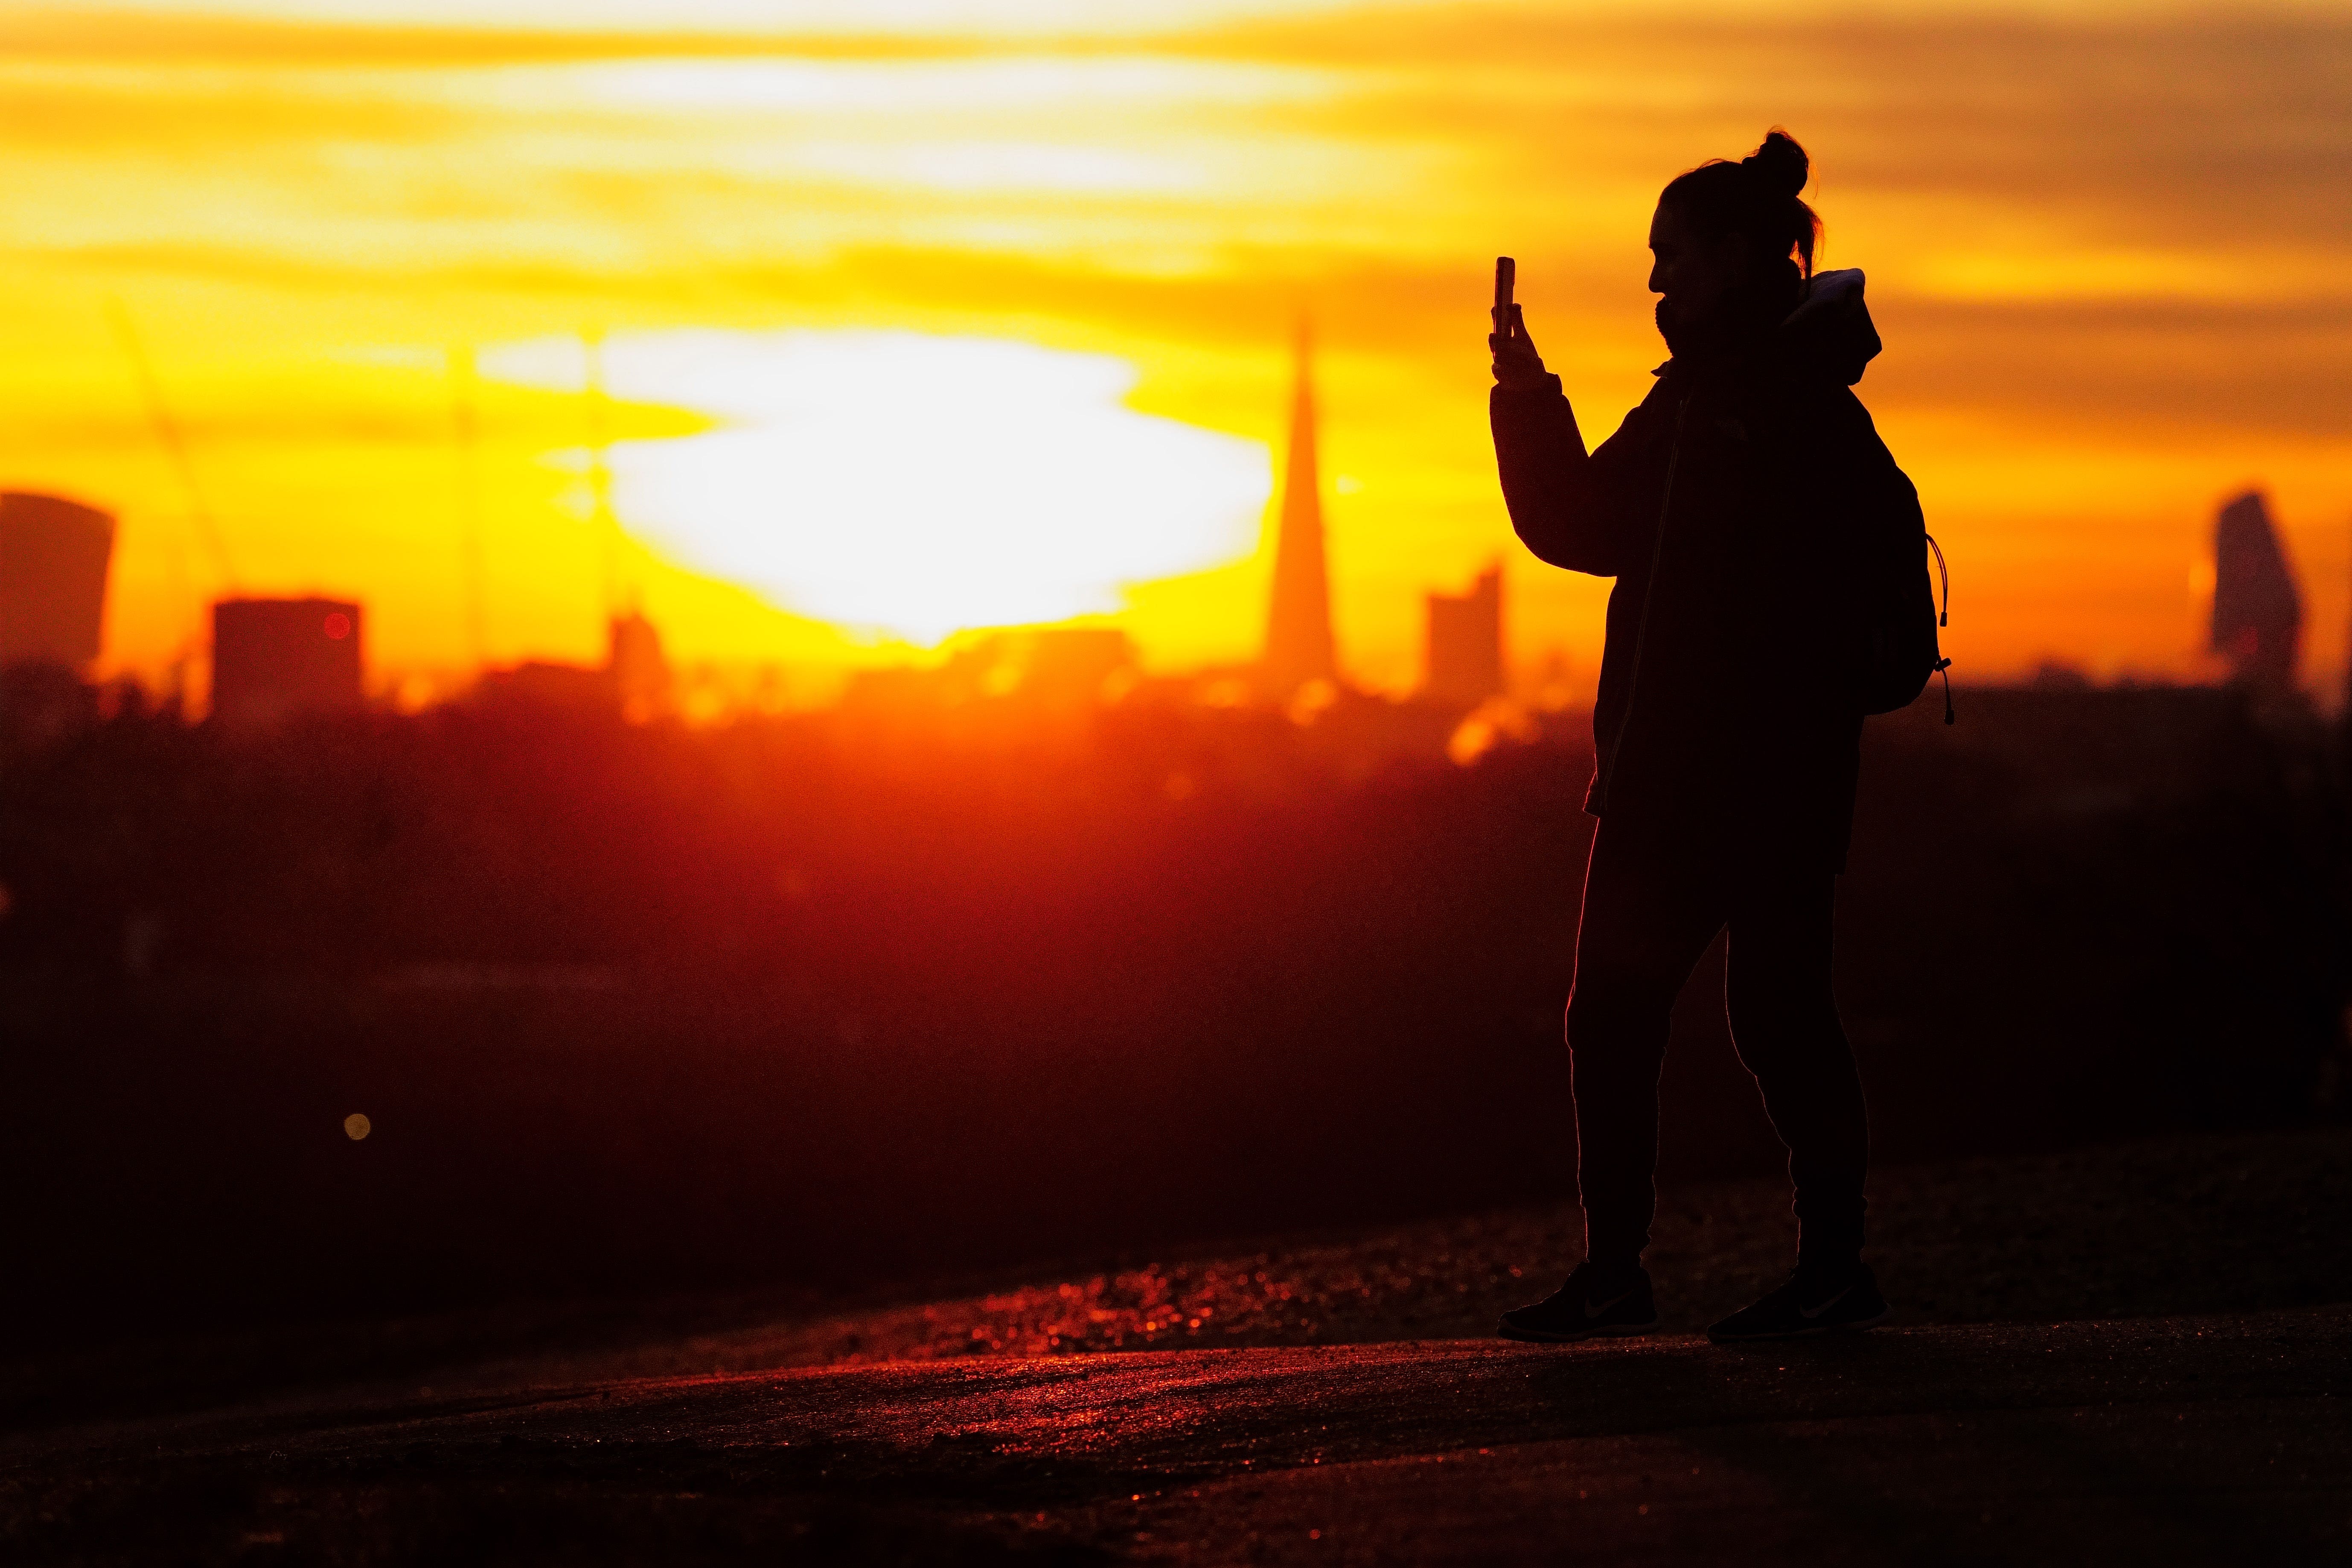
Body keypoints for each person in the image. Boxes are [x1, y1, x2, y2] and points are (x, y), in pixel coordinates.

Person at [1489, 129, 1921, 1343]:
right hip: (1767, 781)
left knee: (1632, 1017)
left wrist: (1524, 401)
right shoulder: (1775, 404)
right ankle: (1826, 1268)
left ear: (1735, 258)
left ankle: (1629, 1272)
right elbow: (1595, 525)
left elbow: (1579, 526)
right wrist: (1527, 393)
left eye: (1670, 259)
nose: (1656, 284)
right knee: (1772, 1017)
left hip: (1693, 779)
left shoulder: (1732, 409)